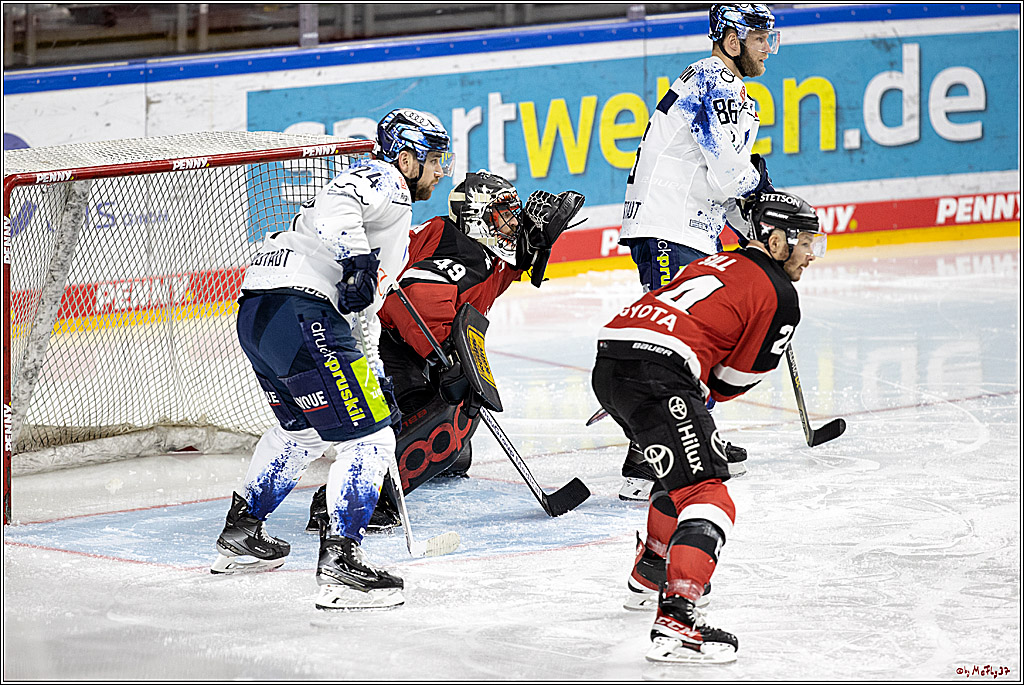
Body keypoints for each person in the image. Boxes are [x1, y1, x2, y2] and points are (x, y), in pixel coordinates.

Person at [210, 108, 454, 611]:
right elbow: (336, 204)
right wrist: (356, 258)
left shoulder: (389, 217)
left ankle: (241, 535)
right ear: (406, 156)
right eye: (433, 160)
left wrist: (376, 372)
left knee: (300, 432)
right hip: (301, 311)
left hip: (262, 313)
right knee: (370, 438)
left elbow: (361, 313)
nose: (439, 171)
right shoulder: (383, 177)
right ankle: (343, 567)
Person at [591, 190, 826, 663]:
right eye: (803, 242)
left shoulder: (718, 260)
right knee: (708, 492)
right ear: (775, 239)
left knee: (675, 470)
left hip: (611, 355)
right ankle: (677, 619)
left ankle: (652, 570)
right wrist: (684, 393)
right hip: (658, 370)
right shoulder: (782, 296)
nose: (810, 254)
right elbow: (733, 381)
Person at [305, 171, 584, 531]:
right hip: (372, 341)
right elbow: (413, 300)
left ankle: (411, 452)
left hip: (390, 338)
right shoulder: (461, 251)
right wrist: (447, 357)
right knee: (444, 420)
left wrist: (530, 251)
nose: (514, 221)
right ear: (475, 218)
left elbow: (493, 275)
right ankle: (346, 499)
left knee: (453, 438)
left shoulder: (477, 249)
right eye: (504, 213)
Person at [614, 3, 780, 502]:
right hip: (672, 226)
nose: (766, 48)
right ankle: (647, 462)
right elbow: (731, 174)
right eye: (758, 38)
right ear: (732, 41)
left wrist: (749, 219)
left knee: (696, 340)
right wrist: (759, 194)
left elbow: (717, 178)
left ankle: (690, 435)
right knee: (676, 346)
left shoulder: (712, 79)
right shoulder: (720, 83)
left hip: (681, 224)